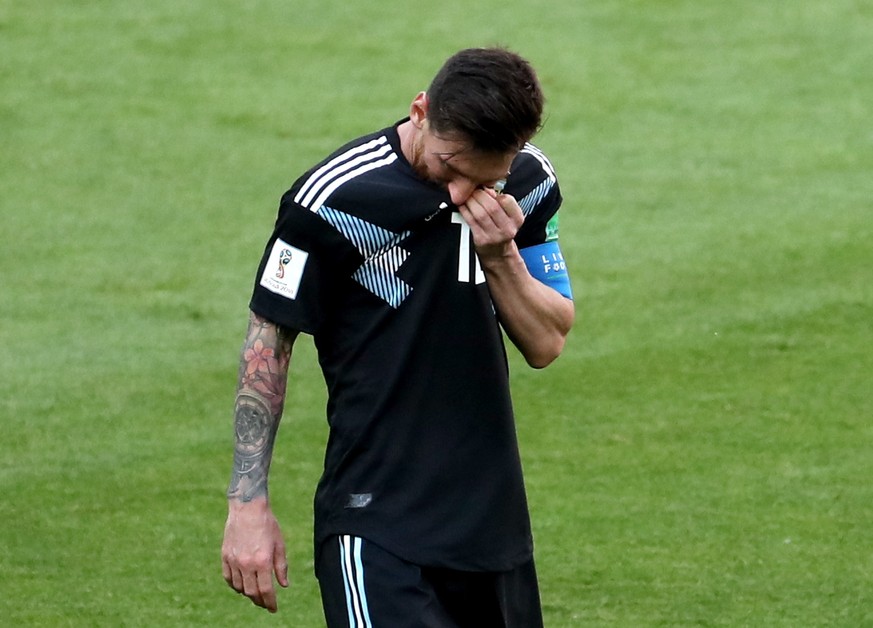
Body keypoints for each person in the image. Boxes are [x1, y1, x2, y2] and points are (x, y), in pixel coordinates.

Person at [221, 47, 575, 626]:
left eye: (484, 179)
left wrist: (501, 253)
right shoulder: (333, 201)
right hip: (376, 524)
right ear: (420, 110)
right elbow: (268, 346)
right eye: (450, 167)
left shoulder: (528, 184)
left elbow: (547, 342)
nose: (463, 193)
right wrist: (247, 504)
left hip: (495, 528)